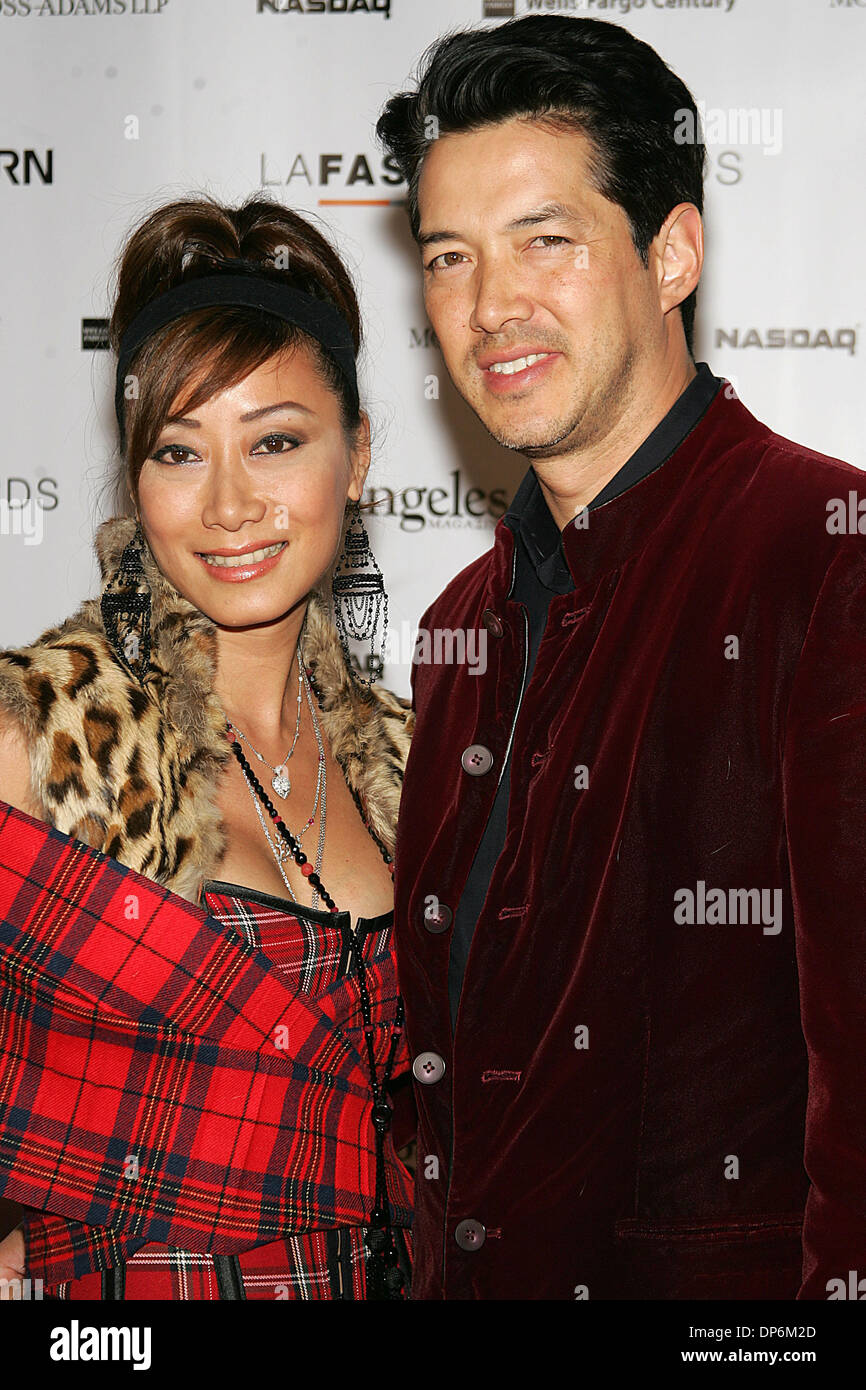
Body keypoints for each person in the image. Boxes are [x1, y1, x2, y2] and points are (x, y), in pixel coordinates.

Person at [376, 14, 866, 1300]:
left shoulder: (824, 561)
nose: (489, 308)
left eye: (545, 240)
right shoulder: (457, 631)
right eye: (447, 257)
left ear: (671, 253)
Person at [0, 195, 415, 1300]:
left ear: (357, 455)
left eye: (275, 441)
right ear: (136, 479)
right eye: (180, 452)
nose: (230, 504)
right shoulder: (39, 736)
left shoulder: (415, 766)